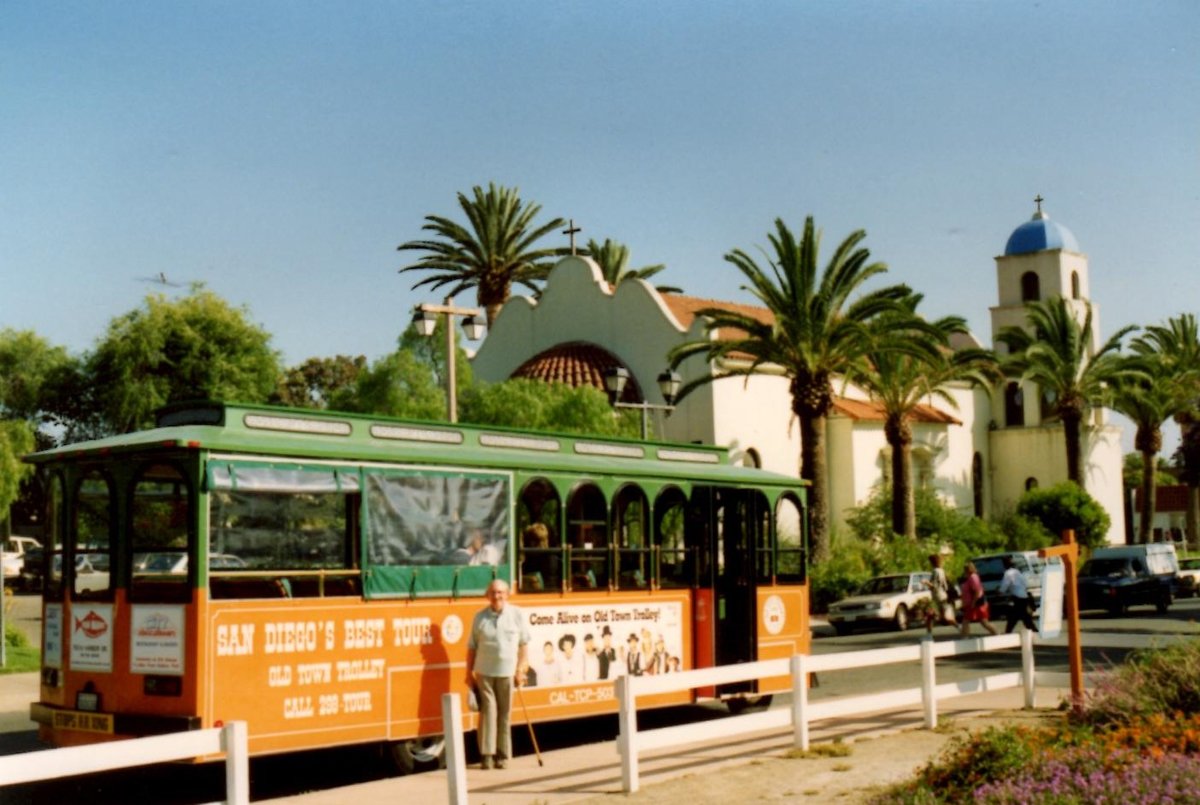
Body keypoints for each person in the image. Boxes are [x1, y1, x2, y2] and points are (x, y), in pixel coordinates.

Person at [466, 579, 530, 770]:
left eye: (501, 592)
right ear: (488, 596)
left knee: (504, 714)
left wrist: (521, 670)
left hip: (507, 672)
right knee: (488, 713)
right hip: (484, 672)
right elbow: (471, 648)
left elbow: (524, 645)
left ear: (507, 594)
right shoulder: (480, 617)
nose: (497, 596)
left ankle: (502, 755)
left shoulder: (516, 614)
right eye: (493, 593)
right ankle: (487, 755)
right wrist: (468, 673)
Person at [959, 561, 998, 637]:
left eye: (965, 569)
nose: (964, 571)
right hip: (972, 603)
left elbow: (977, 591)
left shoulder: (973, 577)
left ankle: (964, 638)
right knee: (981, 622)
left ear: (968, 569)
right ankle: (996, 634)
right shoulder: (971, 577)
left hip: (976, 604)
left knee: (970, 621)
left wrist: (973, 602)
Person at [999, 556, 1036, 633]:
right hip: (1024, 596)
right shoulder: (1017, 572)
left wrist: (999, 592)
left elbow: (1004, 586)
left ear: (1004, 565)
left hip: (1017, 598)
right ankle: (1033, 630)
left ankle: (1008, 632)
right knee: (1023, 617)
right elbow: (1024, 583)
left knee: (1016, 617)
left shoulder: (1007, 573)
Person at [924, 554, 957, 626]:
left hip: (939, 596)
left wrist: (926, 582)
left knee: (931, 615)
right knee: (942, 616)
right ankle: (960, 628)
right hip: (942, 595)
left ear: (932, 562)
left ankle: (960, 628)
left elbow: (935, 586)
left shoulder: (935, 571)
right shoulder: (941, 570)